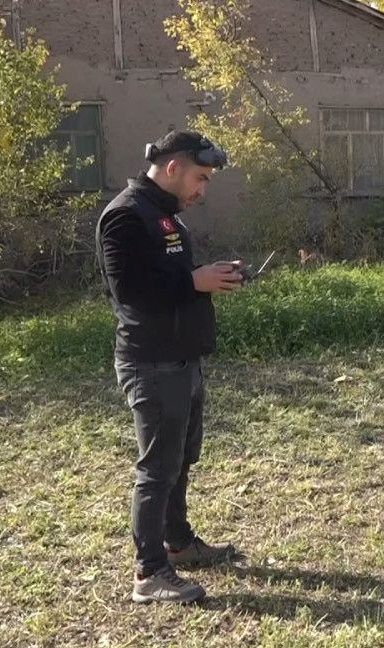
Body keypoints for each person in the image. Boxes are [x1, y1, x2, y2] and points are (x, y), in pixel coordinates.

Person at [96, 130, 243, 603]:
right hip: (152, 362)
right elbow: (131, 293)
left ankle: (177, 544)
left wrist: (209, 277)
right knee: (157, 469)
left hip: (182, 358)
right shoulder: (125, 215)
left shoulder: (164, 214)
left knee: (179, 460)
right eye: (200, 178)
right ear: (173, 167)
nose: (202, 189)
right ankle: (149, 573)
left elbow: (173, 278)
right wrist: (195, 282)